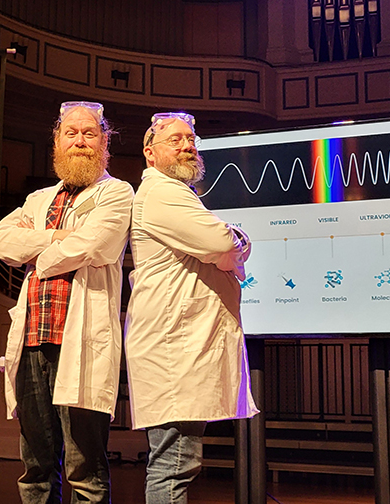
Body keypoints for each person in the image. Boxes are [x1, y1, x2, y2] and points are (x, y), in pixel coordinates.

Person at [0, 101, 134, 504]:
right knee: (36, 468)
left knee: (85, 470)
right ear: (56, 141)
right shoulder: (38, 199)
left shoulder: (116, 193)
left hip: (81, 342)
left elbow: (97, 244)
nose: (80, 141)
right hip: (34, 341)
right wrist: (61, 238)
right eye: (70, 133)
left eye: (89, 133)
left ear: (104, 141)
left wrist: (38, 251)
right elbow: (3, 242)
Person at [123, 111, 259, 504]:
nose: (187, 146)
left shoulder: (175, 193)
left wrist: (232, 244)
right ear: (150, 153)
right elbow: (221, 243)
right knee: (174, 464)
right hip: (175, 351)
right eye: (175, 140)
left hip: (180, 349)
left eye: (191, 140)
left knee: (175, 462)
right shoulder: (162, 191)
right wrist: (235, 242)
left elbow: (224, 245)